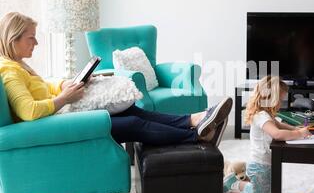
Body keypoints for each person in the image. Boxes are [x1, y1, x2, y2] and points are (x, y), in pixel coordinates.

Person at [0, 12, 232, 148]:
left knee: (134, 111)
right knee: (132, 124)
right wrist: (63, 98)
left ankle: (195, 118)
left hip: (58, 115)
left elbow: (42, 86)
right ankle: (197, 136)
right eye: (31, 38)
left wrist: (63, 85)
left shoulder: (19, 65)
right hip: (54, 125)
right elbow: (29, 111)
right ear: (13, 39)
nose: (36, 43)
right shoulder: (10, 72)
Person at [223, 76, 311, 193]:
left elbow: (280, 125)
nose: (281, 103)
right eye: (280, 100)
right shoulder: (261, 116)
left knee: (267, 191)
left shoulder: (266, 114)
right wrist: (298, 133)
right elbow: (277, 134)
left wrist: (296, 128)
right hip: (260, 166)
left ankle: (233, 182)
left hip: (265, 164)